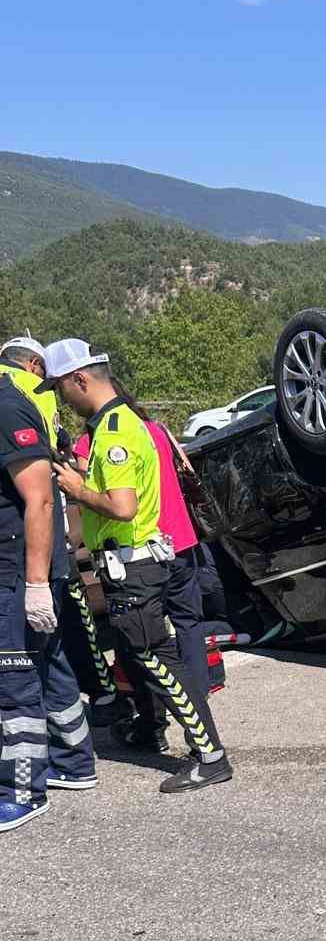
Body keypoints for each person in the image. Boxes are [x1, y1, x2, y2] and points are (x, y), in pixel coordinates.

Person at [40, 341, 232, 795]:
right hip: (149, 560)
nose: (62, 397)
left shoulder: (115, 434)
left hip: (136, 566)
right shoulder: (128, 423)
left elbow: (122, 508)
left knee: (158, 662)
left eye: (62, 387)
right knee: (155, 658)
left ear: (81, 379)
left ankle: (210, 755)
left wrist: (75, 488)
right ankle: (170, 736)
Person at [73, 380, 212, 754]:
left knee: (146, 650)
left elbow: (117, 504)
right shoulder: (154, 429)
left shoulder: (102, 436)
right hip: (180, 540)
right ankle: (197, 712)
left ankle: (177, 729)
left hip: (139, 549)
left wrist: (75, 486)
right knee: (185, 629)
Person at [0, 374, 97, 831]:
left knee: (13, 681)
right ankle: (75, 762)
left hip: (18, 570)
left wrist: (37, 583)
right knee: (50, 662)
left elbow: (39, 500)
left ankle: (22, 790)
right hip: (28, 567)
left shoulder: (5, 406)